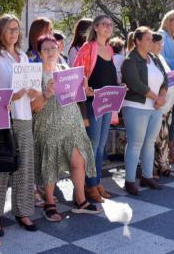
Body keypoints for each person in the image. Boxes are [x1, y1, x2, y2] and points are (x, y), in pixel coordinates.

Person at [31, 35, 100, 220]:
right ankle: (50, 204)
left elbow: (76, 97)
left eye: (53, 48)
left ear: (59, 50)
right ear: (39, 53)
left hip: (71, 123)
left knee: (79, 161)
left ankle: (80, 200)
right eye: (45, 49)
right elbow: (32, 107)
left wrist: (84, 88)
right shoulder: (35, 74)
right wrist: (46, 93)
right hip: (48, 125)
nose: (50, 52)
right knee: (50, 164)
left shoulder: (65, 69)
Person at [0, 14, 38, 235]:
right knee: (1, 168)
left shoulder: (24, 57)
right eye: (9, 29)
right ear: (0, 32)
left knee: (25, 167)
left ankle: (23, 211)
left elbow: (32, 91)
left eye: (16, 29)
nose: (14, 33)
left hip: (24, 117)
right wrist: (10, 97)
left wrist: (35, 93)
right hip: (2, 119)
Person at [73, 15, 118, 202]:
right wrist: (84, 88)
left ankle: (97, 181)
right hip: (92, 104)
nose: (108, 27)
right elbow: (75, 74)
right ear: (96, 28)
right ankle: (89, 185)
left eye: (110, 25)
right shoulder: (87, 48)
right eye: (104, 24)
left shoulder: (110, 49)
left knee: (101, 146)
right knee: (92, 146)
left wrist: (119, 87)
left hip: (108, 103)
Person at [121, 27, 168, 195]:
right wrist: (157, 98)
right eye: (148, 39)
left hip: (155, 107)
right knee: (135, 144)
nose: (151, 42)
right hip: (136, 107)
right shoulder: (130, 60)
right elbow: (136, 84)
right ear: (138, 41)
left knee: (149, 143)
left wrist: (161, 96)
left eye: (152, 39)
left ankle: (147, 176)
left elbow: (165, 79)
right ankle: (130, 181)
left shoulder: (154, 58)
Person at [150, 32, 174, 178]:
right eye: (158, 43)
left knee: (164, 136)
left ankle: (163, 164)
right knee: (154, 138)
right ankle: (152, 168)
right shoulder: (148, 58)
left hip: (168, 104)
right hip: (156, 104)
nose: (161, 46)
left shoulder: (159, 57)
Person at [157, 10, 174, 165]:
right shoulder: (161, 35)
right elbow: (158, 56)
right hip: (165, 81)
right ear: (168, 21)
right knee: (166, 118)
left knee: (172, 118)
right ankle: (166, 151)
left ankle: (170, 148)